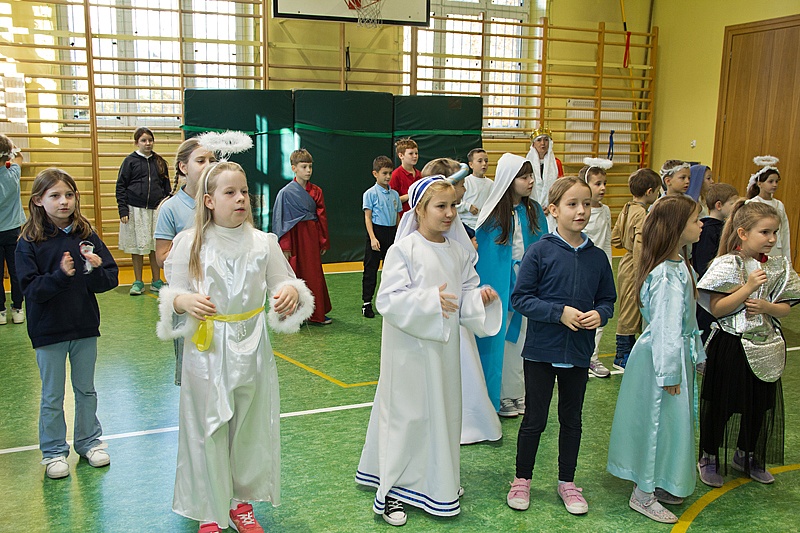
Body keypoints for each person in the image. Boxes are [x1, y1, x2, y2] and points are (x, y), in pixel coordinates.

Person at [157, 161, 313, 533]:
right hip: (207, 348)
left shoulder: (263, 243)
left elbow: (284, 282)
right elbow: (172, 294)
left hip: (252, 345)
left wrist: (290, 294)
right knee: (208, 428)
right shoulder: (190, 242)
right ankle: (210, 508)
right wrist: (183, 301)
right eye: (230, 192)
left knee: (249, 427)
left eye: (244, 191)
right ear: (209, 200)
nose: (241, 198)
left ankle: (240, 503)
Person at [356, 177, 502, 526]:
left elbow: (465, 292)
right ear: (419, 210)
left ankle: (438, 480)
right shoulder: (403, 250)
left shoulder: (458, 252)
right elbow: (387, 299)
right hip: (409, 353)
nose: (450, 213)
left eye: (453, 206)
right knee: (408, 418)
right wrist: (428, 301)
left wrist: (478, 300)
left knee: (442, 414)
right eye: (441, 206)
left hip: (444, 352)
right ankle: (392, 490)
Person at [506, 177, 616, 516]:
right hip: (541, 352)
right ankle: (522, 479)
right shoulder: (540, 251)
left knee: (572, 420)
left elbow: (608, 299)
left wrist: (600, 314)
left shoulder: (597, 257)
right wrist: (559, 313)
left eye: (586, 203)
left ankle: (567, 482)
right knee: (534, 420)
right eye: (572, 204)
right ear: (553, 210)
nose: (581, 210)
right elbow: (521, 298)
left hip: (578, 354)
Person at [606, 195, 706, 524]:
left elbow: (687, 321)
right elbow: (665, 328)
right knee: (655, 424)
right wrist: (670, 373)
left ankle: (662, 478)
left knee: (670, 425)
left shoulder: (680, 266)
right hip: (662, 361)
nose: (701, 225)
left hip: (674, 356)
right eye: (695, 220)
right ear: (677, 228)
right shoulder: (666, 275)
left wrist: (697, 353)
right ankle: (643, 494)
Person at [16, 168, 119, 479]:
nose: (64, 202)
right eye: (55, 196)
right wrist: (61, 276)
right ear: (38, 200)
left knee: (86, 390)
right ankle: (53, 452)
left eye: (69, 195)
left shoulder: (86, 235)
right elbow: (31, 289)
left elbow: (110, 278)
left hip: (84, 327)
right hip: (48, 332)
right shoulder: (29, 241)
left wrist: (96, 270)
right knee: (52, 395)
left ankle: (89, 442)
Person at [696, 200, 800, 489]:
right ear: (743, 233)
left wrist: (768, 307)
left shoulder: (779, 266)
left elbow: (786, 308)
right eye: (765, 232)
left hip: (766, 346)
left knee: (759, 405)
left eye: (775, 232)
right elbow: (717, 308)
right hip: (731, 345)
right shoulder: (727, 263)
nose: (772, 239)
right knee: (722, 404)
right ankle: (709, 455)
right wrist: (748, 288)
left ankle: (747, 453)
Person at [420, 157, 498, 444]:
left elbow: (466, 284)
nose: (464, 190)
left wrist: (478, 298)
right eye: (461, 184)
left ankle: (468, 421)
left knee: (461, 370)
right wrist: (429, 302)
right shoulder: (412, 247)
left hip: (456, 324)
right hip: (427, 327)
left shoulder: (457, 244)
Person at [475, 153, 547, 417]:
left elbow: (543, 246)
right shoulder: (493, 214)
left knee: (524, 340)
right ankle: (502, 395)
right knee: (502, 341)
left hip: (527, 286)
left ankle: (518, 393)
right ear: (509, 180)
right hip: (502, 288)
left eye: (531, 176)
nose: (530, 181)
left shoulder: (534, 210)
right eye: (523, 177)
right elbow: (487, 257)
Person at [154, 136, 216, 385]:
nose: (208, 165)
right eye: (201, 160)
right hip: (189, 298)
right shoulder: (170, 208)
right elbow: (162, 258)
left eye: (212, 160)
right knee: (193, 374)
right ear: (183, 167)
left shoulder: (220, 202)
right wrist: (195, 250)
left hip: (219, 296)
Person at [272, 148, 332, 325]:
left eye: (310, 167)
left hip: (311, 237)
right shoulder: (285, 193)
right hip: (294, 237)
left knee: (314, 273)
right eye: (304, 167)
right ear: (294, 168)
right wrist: (285, 246)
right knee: (293, 273)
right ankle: (293, 314)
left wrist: (323, 241)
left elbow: (322, 217)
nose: (308, 170)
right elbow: (281, 220)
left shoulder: (317, 191)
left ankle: (316, 313)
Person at [610, 169, 661, 370]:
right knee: (631, 310)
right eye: (657, 191)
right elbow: (640, 245)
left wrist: (626, 242)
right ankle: (622, 354)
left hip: (626, 261)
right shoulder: (642, 214)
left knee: (628, 306)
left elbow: (615, 238)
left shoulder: (627, 208)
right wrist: (642, 272)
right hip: (635, 265)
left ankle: (627, 351)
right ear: (649, 192)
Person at [116, 127, 171, 296]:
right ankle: (138, 282)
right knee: (137, 248)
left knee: (155, 246)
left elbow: (166, 187)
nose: (148, 143)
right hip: (135, 210)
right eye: (144, 140)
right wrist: (123, 209)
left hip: (156, 210)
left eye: (150, 140)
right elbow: (121, 186)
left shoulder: (160, 162)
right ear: (136, 142)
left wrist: (166, 206)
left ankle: (156, 280)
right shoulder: (129, 162)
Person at [691, 182, 739, 344]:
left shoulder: (723, 227)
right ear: (719, 205)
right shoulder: (708, 230)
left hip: (719, 287)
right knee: (705, 325)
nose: (735, 207)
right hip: (708, 289)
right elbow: (704, 263)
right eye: (732, 203)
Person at [580, 158, 614, 378]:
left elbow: (607, 240)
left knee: (598, 313)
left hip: (600, 269)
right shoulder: (580, 212)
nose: (602, 188)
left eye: (604, 183)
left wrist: (607, 266)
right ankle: (580, 355)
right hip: (582, 268)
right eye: (597, 183)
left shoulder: (606, 210)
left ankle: (592, 357)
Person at [361, 155, 402, 319]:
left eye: (390, 173)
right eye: (384, 173)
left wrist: (399, 235)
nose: (388, 176)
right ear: (375, 173)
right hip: (377, 234)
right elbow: (367, 217)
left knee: (392, 270)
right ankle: (367, 303)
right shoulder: (370, 194)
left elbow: (397, 216)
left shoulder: (395, 195)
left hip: (391, 234)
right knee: (370, 270)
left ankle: (390, 301)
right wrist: (372, 238)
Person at [746, 156, 791, 264]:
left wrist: (787, 259)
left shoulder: (779, 205)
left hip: (776, 249)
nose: (774, 185)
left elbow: (785, 231)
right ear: (759, 183)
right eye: (770, 181)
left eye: (776, 181)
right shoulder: (752, 203)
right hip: (758, 248)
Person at [0, 134, 26, 325]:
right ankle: (18, 308)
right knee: (16, 272)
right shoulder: (13, 173)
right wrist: (12, 149)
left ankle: (0, 311)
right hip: (13, 231)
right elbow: (19, 156)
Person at [525, 126, 564, 230]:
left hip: (551, 209)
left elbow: (560, 188)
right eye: (539, 140)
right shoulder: (526, 163)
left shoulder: (556, 163)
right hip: (531, 209)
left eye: (546, 140)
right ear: (533, 144)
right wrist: (535, 208)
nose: (543, 143)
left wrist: (551, 205)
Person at [457, 148, 492, 230]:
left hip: (485, 225)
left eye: (486, 161)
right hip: (466, 225)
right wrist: (467, 206)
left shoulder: (491, 184)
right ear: (471, 164)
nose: (484, 164)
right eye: (480, 161)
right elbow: (454, 204)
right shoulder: (464, 182)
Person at [390, 138, 422, 213]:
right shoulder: (395, 175)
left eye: (416, 153)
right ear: (401, 155)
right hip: (403, 217)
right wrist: (409, 196)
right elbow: (390, 201)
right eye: (411, 153)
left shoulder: (420, 174)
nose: (415, 156)